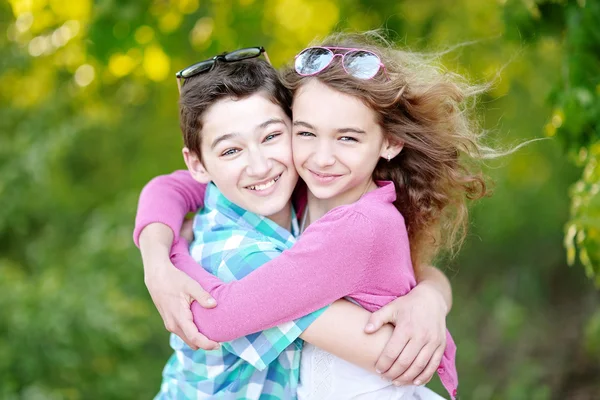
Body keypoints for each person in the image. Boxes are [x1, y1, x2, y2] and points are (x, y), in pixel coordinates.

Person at [137, 47, 454, 399]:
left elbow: (400, 354)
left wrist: (174, 255)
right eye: (306, 134)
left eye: (271, 136)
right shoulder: (296, 198)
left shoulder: (338, 209)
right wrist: (157, 260)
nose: (321, 156)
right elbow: (169, 185)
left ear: (390, 141)